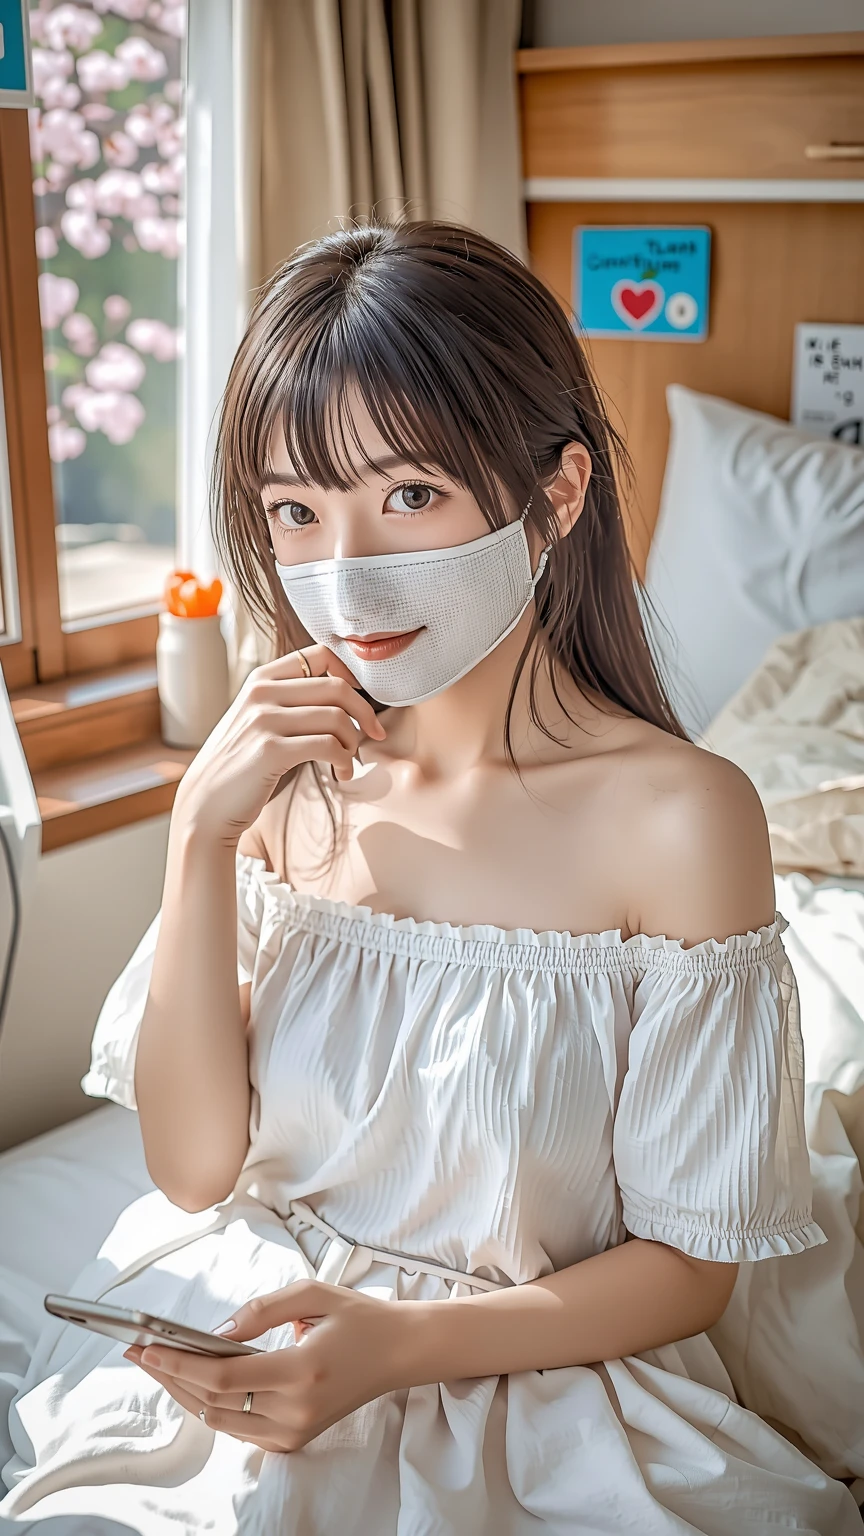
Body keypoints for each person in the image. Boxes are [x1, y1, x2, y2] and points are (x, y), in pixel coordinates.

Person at [1, 221, 859, 1535]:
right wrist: (197, 836)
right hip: (253, 1339)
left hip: (541, 1387)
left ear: (555, 496)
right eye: (297, 511)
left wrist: (396, 1349)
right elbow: (192, 1168)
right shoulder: (286, 781)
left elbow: (690, 1269)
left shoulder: (684, 819)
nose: (345, 574)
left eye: (408, 495)